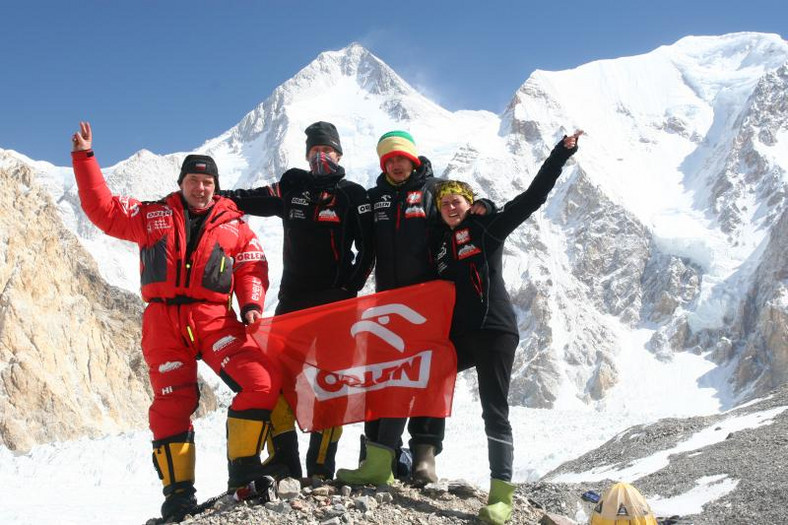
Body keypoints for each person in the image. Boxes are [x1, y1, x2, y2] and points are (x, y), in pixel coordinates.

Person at [71, 122, 281, 523]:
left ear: (215, 186)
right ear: (181, 183)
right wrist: (85, 158)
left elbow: (251, 266)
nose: (200, 188)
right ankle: (178, 497)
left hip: (216, 320)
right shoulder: (151, 216)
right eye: (193, 180)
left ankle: (244, 470)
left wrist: (251, 303)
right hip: (163, 322)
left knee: (261, 381)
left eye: (207, 181)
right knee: (171, 406)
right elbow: (103, 210)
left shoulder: (235, 224)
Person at [432, 130, 582, 525]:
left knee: (494, 410)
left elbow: (532, 199)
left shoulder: (487, 228)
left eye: (457, 200)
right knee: (424, 378)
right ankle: (412, 457)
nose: (450, 206)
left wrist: (559, 155)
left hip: (496, 332)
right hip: (460, 337)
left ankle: (501, 495)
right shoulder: (441, 246)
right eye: (444, 202)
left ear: (469, 203)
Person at [336, 130, 493, 487]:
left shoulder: (435, 191)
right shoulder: (374, 198)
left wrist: (488, 206)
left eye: (401, 157)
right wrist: (348, 288)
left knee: (428, 377)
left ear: (413, 159)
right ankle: (377, 458)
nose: (395, 163)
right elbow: (366, 251)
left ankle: (424, 457)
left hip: (429, 303)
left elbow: (463, 216)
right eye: (388, 159)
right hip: (386, 307)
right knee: (383, 378)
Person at [220, 121, 374, 480]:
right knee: (276, 380)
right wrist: (214, 195)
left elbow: (368, 251)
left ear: (339, 154)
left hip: (336, 306)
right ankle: (285, 460)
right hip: (291, 303)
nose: (321, 156)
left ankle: (321, 468)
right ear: (308, 156)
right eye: (314, 151)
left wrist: (347, 289)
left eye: (327, 151)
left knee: (332, 384)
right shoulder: (292, 186)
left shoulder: (354, 194)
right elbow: (250, 198)